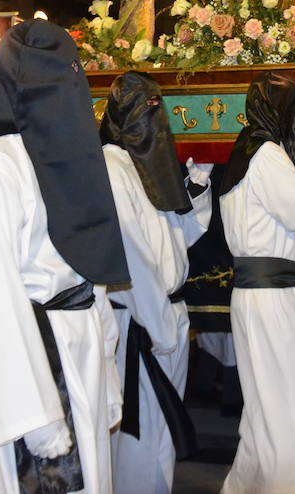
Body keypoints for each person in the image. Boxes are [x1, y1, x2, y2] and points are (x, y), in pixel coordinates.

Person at [0, 20, 129, 494]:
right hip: (34, 361)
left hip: (82, 344)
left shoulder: (72, 157)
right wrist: (37, 417)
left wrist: (107, 370)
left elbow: (90, 268)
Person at [216, 72, 295, 494]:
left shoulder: (248, 150)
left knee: (269, 405)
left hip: (259, 296)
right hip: (276, 297)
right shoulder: (266, 154)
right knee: (291, 402)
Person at [99, 70, 214, 494]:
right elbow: (134, 262)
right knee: (141, 433)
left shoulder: (145, 163)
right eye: (140, 108)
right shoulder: (112, 169)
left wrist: (198, 190)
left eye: (155, 107)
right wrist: (160, 324)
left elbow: (177, 239)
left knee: (161, 430)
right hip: (143, 321)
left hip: (167, 312)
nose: (152, 116)